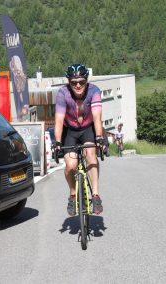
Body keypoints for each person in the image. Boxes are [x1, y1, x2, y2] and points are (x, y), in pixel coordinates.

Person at [54, 63, 104, 215]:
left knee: (91, 156)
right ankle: (72, 194)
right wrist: (57, 142)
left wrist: (99, 137)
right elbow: (58, 120)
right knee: (70, 166)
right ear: (69, 82)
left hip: (88, 129)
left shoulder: (94, 91)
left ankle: (95, 195)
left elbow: (97, 117)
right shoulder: (63, 93)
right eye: (74, 82)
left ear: (86, 81)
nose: (78, 85)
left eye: (81, 82)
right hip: (71, 131)